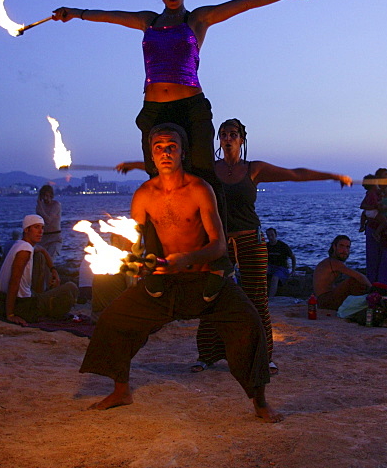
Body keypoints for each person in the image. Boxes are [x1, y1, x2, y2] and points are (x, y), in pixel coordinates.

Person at [51, 0, 321, 223]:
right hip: (154, 109)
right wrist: (75, 13)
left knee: (203, 174)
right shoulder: (148, 21)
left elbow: (247, 2)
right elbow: (110, 16)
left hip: (191, 106)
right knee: (157, 175)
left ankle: (217, 247)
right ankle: (160, 244)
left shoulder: (198, 19)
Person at [80, 123, 280, 422]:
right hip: (166, 282)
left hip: (205, 278)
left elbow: (219, 246)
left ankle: (260, 402)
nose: (165, 152)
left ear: (183, 151)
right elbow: (136, 244)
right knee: (113, 320)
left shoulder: (200, 189)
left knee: (249, 324)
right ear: (151, 153)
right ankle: (121, 390)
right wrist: (135, 261)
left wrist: (187, 258)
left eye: (171, 146)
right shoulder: (144, 195)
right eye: (158, 147)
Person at [118, 117, 350, 375]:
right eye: (223, 134)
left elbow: (295, 174)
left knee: (257, 300)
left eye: (233, 134)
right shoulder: (210, 168)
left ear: (241, 139)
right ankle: (207, 355)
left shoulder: (254, 169)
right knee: (211, 296)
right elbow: (171, 163)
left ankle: (264, 355)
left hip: (251, 240)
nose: (227, 138)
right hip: (218, 244)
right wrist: (135, 165)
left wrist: (331, 176)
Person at [0, 214, 77, 325]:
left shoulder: (20, 244)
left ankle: (41, 298)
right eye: (36, 227)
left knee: (40, 256)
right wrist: (10, 315)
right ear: (26, 229)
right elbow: (14, 281)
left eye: (42, 228)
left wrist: (53, 271)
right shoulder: (25, 250)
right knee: (72, 287)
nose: (41, 231)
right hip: (23, 305)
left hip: (14, 299)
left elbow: (43, 250)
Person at [360, 172, 387, 291]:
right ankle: (372, 283)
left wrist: (386, 208)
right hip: (373, 224)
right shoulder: (373, 193)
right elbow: (364, 206)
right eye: (382, 176)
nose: (386, 178)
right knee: (373, 256)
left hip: (386, 226)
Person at [313, 235, 371, 311]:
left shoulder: (331, 261)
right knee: (353, 281)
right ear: (334, 247)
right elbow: (359, 276)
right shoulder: (333, 262)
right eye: (341, 246)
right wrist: (372, 288)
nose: (344, 250)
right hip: (325, 301)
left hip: (325, 299)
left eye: (347, 247)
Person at [265, 227, 296, 299]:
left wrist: (293, 270)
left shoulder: (283, 246)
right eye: (268, 235)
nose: (270, 237)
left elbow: (293, 257)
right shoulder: (266, 246)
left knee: (275, 278)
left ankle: (271, 298)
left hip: (282, 268)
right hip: (270, 267)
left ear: (276, 235)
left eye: (272, 235)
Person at [36, 184, 63, 263]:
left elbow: (48, 220)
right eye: (44, 196)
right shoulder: (40, 206)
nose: (45, 198)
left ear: (51, 195)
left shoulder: (56, 205)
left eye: (47, 196)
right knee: (40, 261)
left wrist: (41, 207)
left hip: (55, 237)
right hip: (43, 238)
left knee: (50, 260)